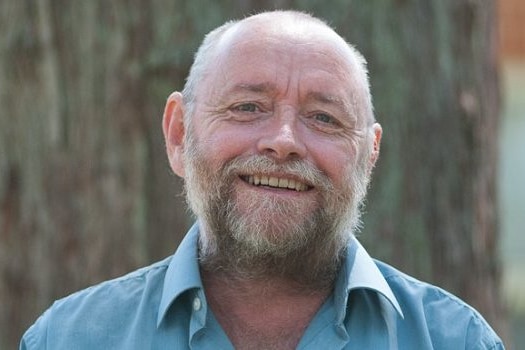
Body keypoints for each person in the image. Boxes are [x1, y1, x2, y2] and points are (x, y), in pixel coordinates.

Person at [20, 10, 504, 350]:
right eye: (247, 107)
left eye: (324, 118)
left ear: (368, 155)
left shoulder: (454, 340)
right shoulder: (68, 339)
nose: (283, 141)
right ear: (178, 134)